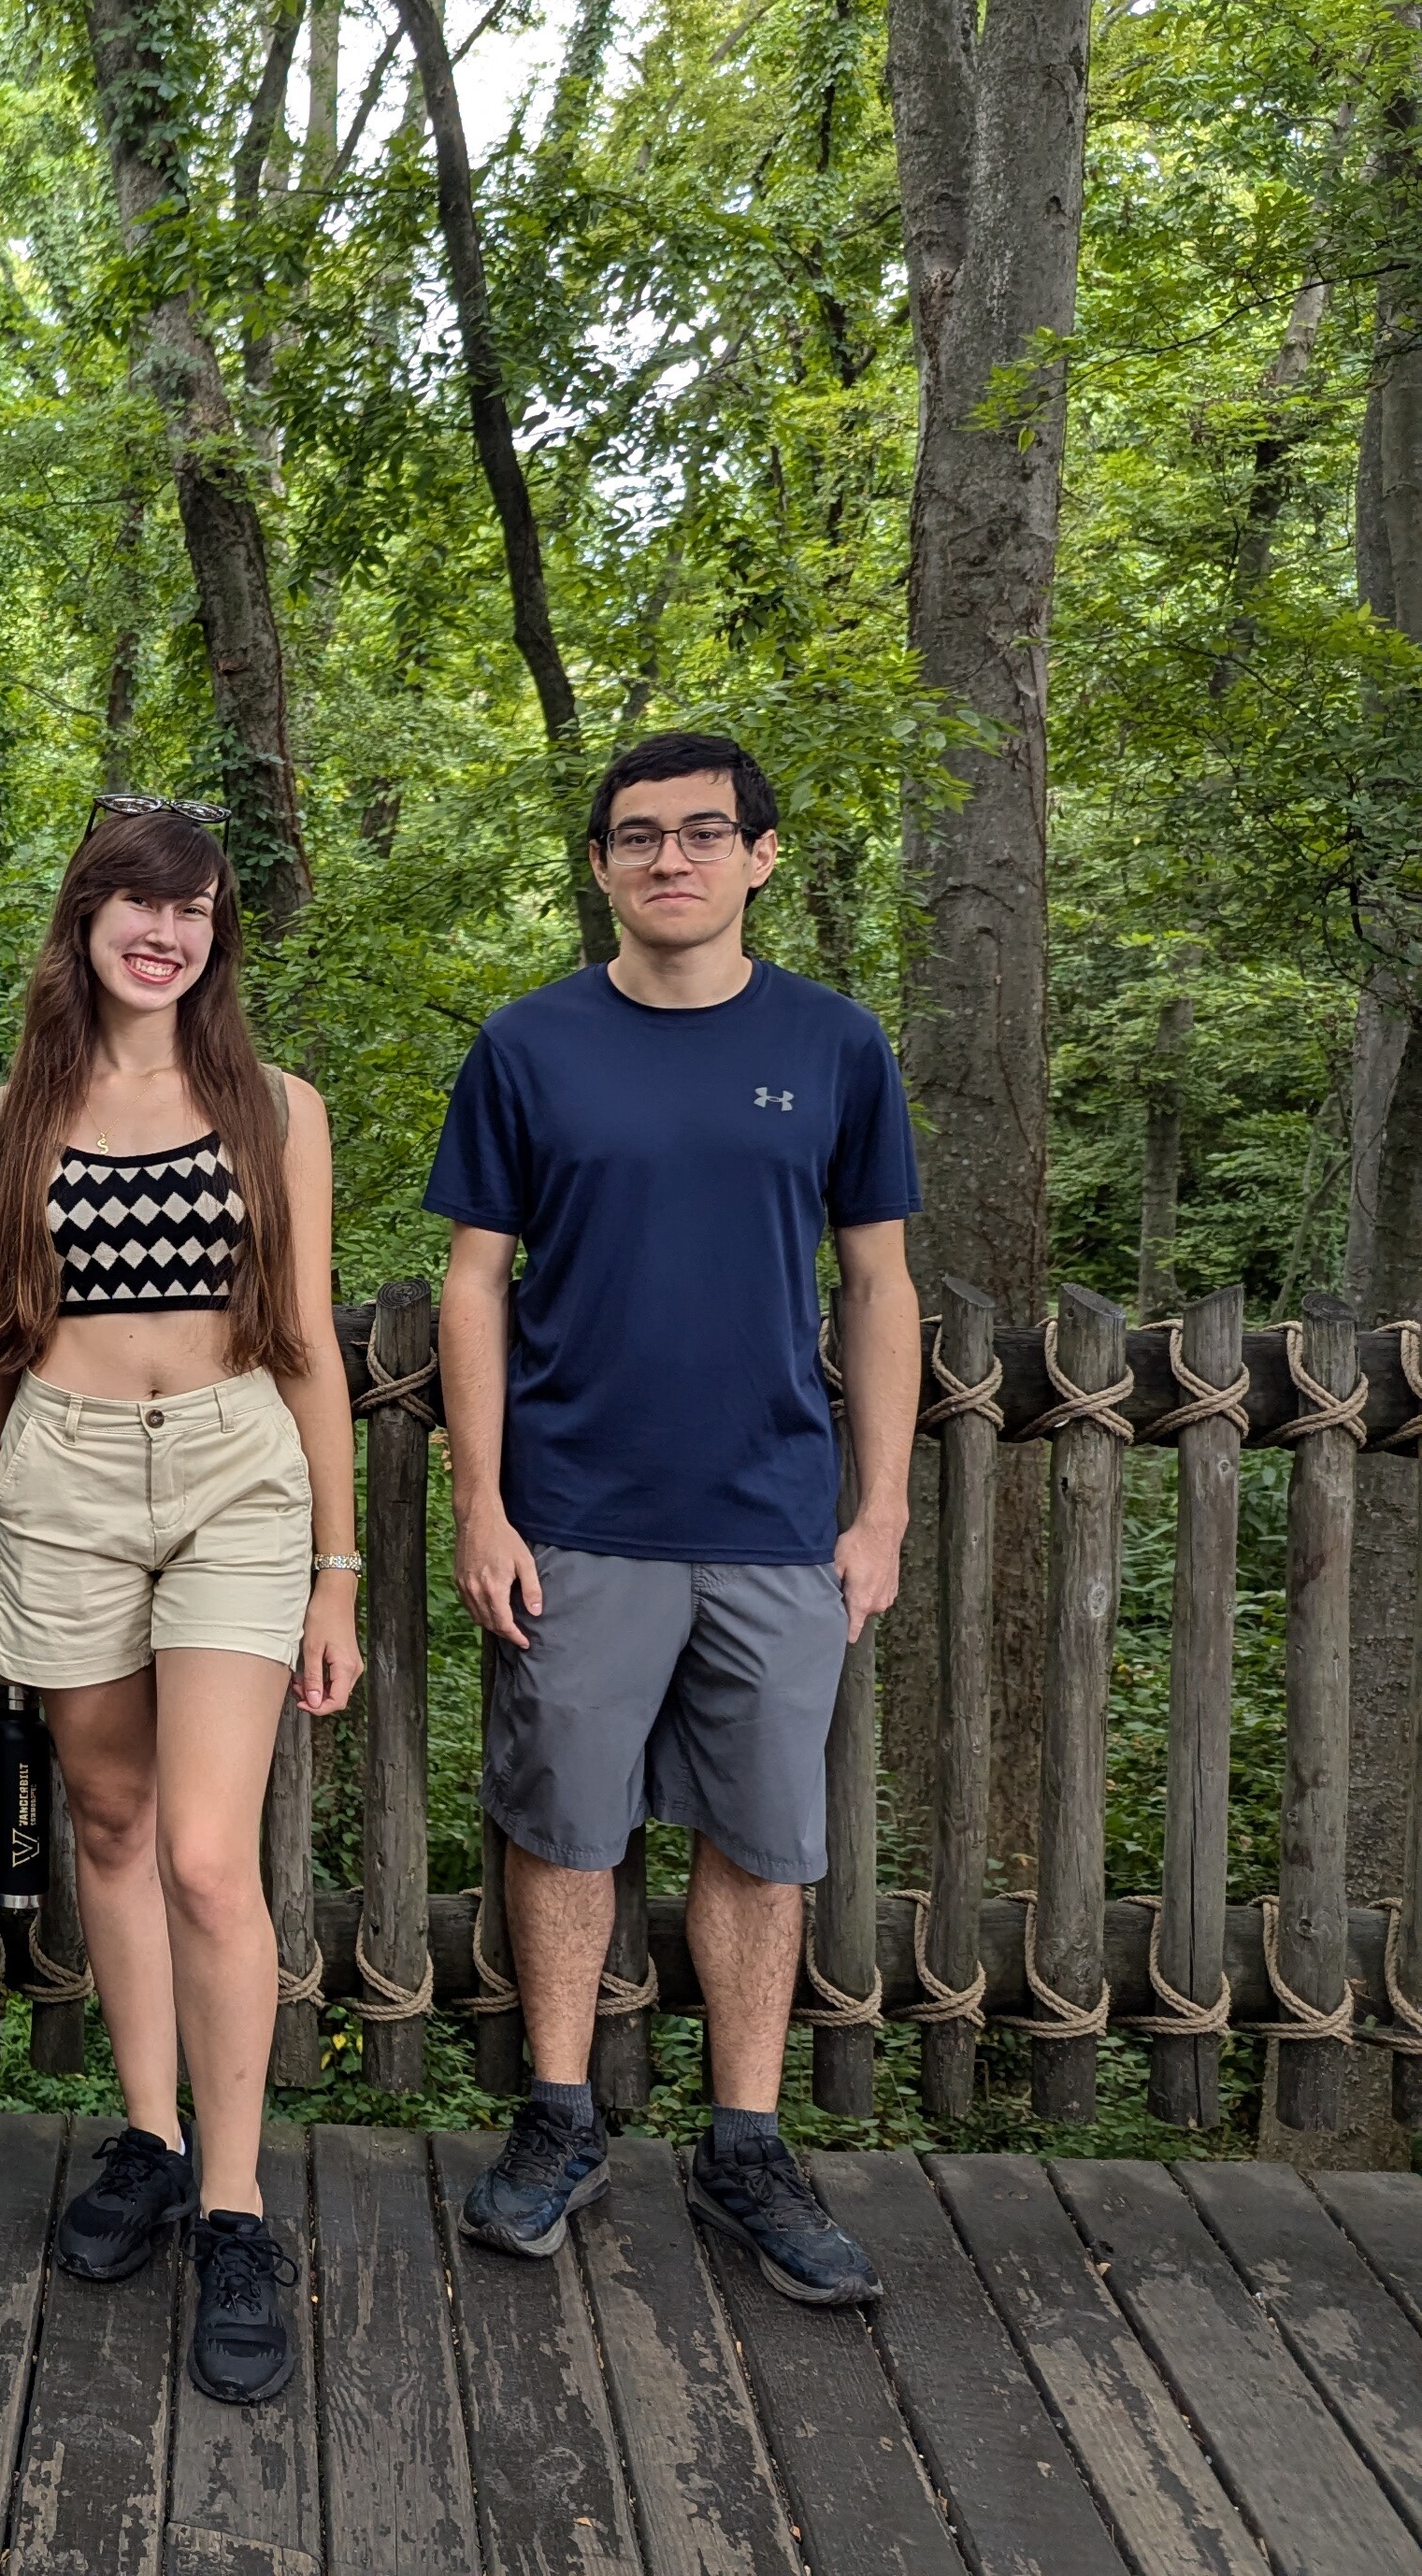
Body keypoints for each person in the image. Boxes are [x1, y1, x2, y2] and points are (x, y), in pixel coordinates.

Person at [433, 731, 919, 2306]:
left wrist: (883, 1510)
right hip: (576, 1514)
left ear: (761, 857)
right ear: (600, 865)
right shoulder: (529, 1046)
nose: (671, 860)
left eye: (704, 834)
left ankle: (746, 2145)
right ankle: (559, 2116)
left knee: (762, 1842)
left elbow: (880, 1283)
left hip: (778, 1522)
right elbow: (473, 1284)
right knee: (566, 1828)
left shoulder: (837, 1046)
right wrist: (484, 1504)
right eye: (638, 838)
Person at [0, 795, 361, 2402]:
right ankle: (148, 2133)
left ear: (217, 937)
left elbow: (310, 1339)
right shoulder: (8, 1123)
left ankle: (240, 2210)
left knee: (205, 1852)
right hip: (62, 1472)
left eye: (195, 906)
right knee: (106, 1831)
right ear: (87, 919)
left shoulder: (272, 1107)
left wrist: (334, 1568)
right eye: (138, 898)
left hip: (234, 1479)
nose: (166, 927)